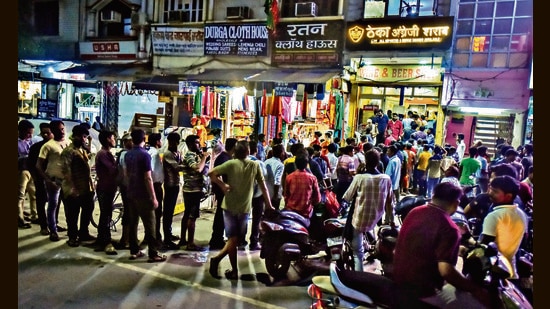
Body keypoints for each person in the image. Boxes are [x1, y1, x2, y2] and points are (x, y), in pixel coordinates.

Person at [392, 182, 491, 308]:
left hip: (399, 280)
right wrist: (475, 289)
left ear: (433, 196)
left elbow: (422, 242)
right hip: (423, 290)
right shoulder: (449, 228)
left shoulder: (415, 212)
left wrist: (458, 249)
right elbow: (446, 271)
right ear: (456, 204)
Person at [208, 140, 274, 280]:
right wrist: (268, 204)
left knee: (234, 239)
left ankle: (218, 260)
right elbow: (263, 187)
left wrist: (222, 185)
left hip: (230, 206)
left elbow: (211, 173)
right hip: (243, 208)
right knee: (234, 239)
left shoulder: (232, 164)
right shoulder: (254, 165)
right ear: (248, 152)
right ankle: (233, 270)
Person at [342, 149, 394, 272]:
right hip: (376, 219)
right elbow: (390, 203)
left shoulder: (360, 177)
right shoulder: (386, 179)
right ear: (378, 162)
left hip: (359, 219)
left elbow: (347, 197)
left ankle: (359, 276)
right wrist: (390, 220)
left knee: (357, 252)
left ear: (365, 161)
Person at [124, 129, 166, 262]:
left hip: (131, 193)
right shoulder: (145, 155)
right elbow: (148, 178)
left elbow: (126, 174)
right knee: (150, 224)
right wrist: (153, 197)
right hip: (143, 194)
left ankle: (134, 251)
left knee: (133, 223)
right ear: (144, 139)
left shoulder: (127, 154)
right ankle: (153, 254)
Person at [479, 175, 528, 279]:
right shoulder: (521, 214)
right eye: (490, 189)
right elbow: (523, 241)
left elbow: (484, 248)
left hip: (494, 273)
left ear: (509, 196)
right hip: (512, 272)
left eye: (495, 191)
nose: (490, 193)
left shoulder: (494, 216)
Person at [60, 125, 96, 247]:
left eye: (85, 137)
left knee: (87, 211)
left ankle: (83, 233)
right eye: (82, 136)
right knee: (72, 215)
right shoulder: (68, 151)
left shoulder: (82, 150)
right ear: (75, 136)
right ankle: (72, 237)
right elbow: (66, 171)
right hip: (73, 190)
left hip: (86, 189)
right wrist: (72, 188)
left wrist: (91, 185)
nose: (84, 139)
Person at [36, 120, 70, 241]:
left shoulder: (68, 143)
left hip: (67, 180)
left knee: (69, 205)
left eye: (62, 129)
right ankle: (53, 230)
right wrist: (47, 180)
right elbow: (38, 165)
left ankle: (71, 231)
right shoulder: (48, 146)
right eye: (58, 130)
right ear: (53, 131)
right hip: (53, 180)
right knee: (53, 205)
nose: (61, 132)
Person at [179, 134, 210, 251]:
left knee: (187, 215)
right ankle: (190, 243)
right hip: (192, 190)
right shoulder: (190, 155)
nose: (199, 145)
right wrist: (204, 158)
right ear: (191, 144)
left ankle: (183, 239)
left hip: (193, 189)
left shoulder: (195, 154)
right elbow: (197, 168)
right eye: (197, 142)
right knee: (192, 216)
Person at [208, 138, 238, 250]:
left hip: (223, 191)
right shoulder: (224, 158)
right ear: (234, 146)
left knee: (222, 216)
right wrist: (223, 186)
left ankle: (218, 238)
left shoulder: (226, 157)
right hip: (222, 192)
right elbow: (215, 174)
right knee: (221, 216)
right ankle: (216, 240)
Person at [94, 130, 119, 254]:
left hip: (108, 187)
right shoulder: (103, 154)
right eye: (113, 138)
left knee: (106, 214)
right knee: (106, 215)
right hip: (105, 188)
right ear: (108, 139)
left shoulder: (106, 153)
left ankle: (100, 240)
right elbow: (112, 170)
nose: (114, 140)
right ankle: (106, 242)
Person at [27, 122, 54, 235]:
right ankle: (43, 226)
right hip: (40, 179)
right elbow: (31, 164)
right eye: (44, 133)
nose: (46, 135)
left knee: (54, 203)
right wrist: (35, 178)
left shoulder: (58, 146)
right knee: (41, 202)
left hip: (55, 179)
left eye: (48, 133)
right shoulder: (36, 147)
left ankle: (53, 223)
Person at [241, 141, 268, 250]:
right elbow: (263, 178)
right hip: (257, 195)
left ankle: (241, 240)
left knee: (243, 217)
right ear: (256, 150)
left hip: (244, 195)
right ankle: (254, 241)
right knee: (256, 219)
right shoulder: (259, 163)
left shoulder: (241, 162)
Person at [161, 132, 185, 250]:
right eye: (171, 141)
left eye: (175, 141)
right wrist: (192, 167)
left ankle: (169, 234)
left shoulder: (177, 153)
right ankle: (167, 239)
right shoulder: (168, 154)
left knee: (170, 212)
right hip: (169, 185)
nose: (173, 143)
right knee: (167, 212)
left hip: (175, 185)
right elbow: (177, 167)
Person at [282, 149, 322, 219]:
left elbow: (286, 195)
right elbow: (318, 199)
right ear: (307, 164)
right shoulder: (312, 178)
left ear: (296, 163)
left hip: (291, 211)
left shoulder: (289, 177)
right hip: (306, 212)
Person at [114, 132, 133, 249]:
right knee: (128, 212)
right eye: (130, 140)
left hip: (125, 186)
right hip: (127, 187)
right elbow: (125, 173)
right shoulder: (125, 154)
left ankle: (127, 238)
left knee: (129, 212)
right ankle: (125, 239)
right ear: (125, 142)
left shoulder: (124, 154)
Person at [18, 119, 36, 228]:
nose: (30, 135)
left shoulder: (31, 142)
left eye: (31, 133)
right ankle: (20, 219)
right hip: (21, 171)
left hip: (32, 171)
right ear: (21, 131)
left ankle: (35, 215)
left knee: (34, 195)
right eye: (28, 133)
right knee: (20, 196)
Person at [147, 133, 164, 244]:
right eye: (160, 140)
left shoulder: (149, 152)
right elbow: (151, 171)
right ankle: (155, 236)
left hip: (153, 185)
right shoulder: (155, 153)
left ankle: (152, 235)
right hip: (155, 185)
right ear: (157, 142)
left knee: (152, 213)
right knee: (156, 213)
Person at [264, 143, 285, 210]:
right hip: (274, 194)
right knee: (273, 215)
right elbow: (277, 181)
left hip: (266, 193)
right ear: (281, 153)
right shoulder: (280, 165)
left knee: (266, 213)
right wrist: (275, 195)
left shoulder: (266, 161)